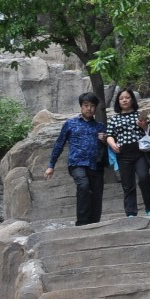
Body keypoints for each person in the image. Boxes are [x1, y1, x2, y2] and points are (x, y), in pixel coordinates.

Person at [45, 91, 107, 226]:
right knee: (83, 186)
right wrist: (51, 165)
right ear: (81, 106)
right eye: (86, 105)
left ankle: (94, 224)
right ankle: (82, 223)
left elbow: (108, 147)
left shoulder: (100, 126)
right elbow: (59, 144)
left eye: (92, 105)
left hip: (96, 165)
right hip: (77, 163)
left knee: (96, 195)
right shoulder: (70, 124)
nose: (89, 108)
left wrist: (105, 140)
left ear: (95, 108)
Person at [105, 86, 150, 220]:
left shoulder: (140, 115)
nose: (124, 100)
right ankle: (131, 212)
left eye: (127, 97)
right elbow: (109, 135)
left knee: (144, 177)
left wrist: (144, 126)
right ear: (118, 101)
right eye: (121, 98)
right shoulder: (114, 119)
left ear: (132, 100)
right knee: (127, 184)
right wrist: (112, 143)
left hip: (140, 151)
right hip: (123, 153)